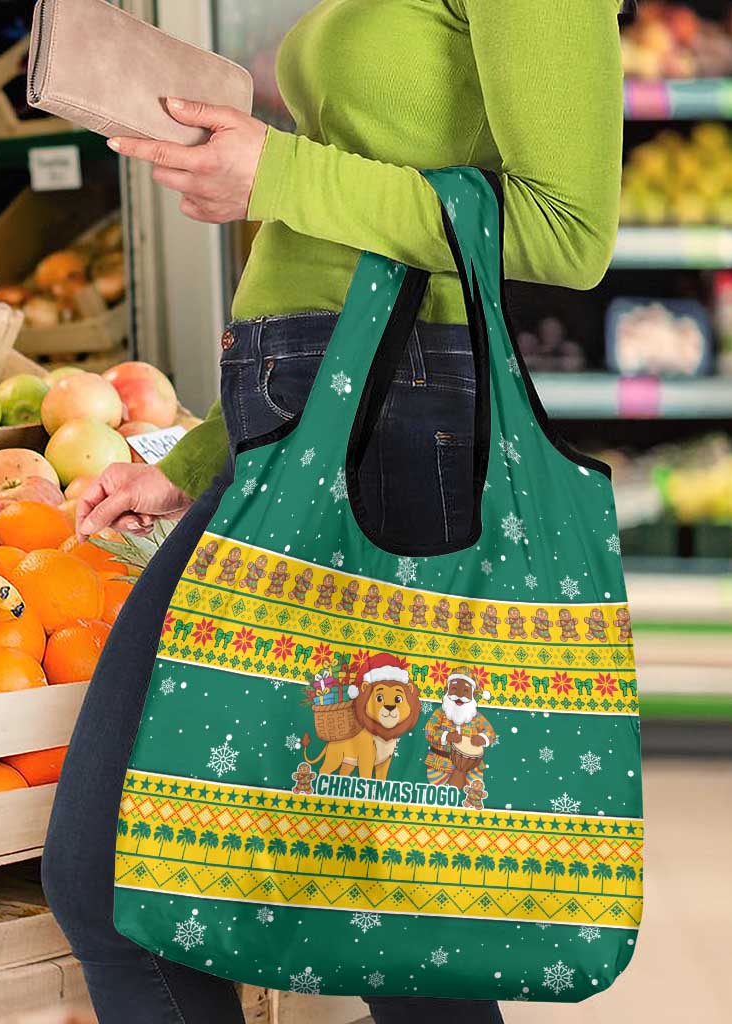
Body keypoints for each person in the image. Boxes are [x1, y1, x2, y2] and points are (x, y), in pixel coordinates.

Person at [42, 2, 627, 1021]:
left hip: (400, 442)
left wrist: (277, 172)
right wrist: (202, 457)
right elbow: (339, 251)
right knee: (381, 921)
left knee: (351, 916)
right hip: (313, 433)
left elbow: (569, 231)